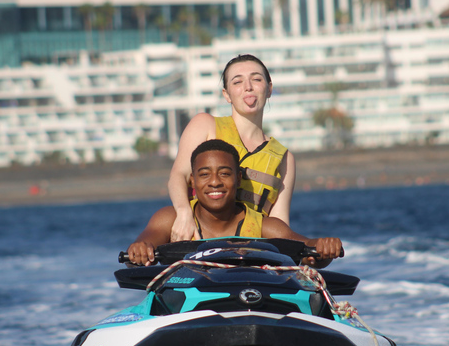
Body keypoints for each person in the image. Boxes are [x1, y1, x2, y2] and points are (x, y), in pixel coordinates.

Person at [129, 139, 343, 268]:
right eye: (204, 175)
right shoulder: (169, 219)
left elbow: (308, 253)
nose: (214, 182)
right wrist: (139, 251)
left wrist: (325, 248)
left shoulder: (265, 226)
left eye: (224, 173)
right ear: (192, 180)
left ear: (239, 179)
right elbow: (135, 254)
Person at [167, 54, 296, 242]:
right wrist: (183, 213)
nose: (248, 87)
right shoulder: (205, 125)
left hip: (252, 254)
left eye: (256, 79)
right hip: (198, 244)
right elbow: (178, 176)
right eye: (237, 82)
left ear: (269, 89)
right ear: (226, 94)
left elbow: (280, 222)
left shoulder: (284, 158)